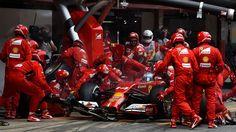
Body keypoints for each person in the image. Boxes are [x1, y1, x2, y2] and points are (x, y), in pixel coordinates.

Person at [155, 33, 201, 129]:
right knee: (182, 99)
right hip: (190, 78)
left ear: (173, 41)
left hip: (180, 77)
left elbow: (163, 65)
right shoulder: (190, 51)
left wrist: (156, 72)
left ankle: (194, 116)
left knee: (180, 100)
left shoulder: (172, 51)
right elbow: (196, 68)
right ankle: (174, 120)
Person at [7, 50, 55, 122]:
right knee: (38, 92)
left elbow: (35, 80)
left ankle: (45, 112)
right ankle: (31, 115)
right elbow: (41, 80)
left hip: (10, 77)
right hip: (19, 77)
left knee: (8, 96)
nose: (45, 60)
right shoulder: (37, 64)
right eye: (44, 58)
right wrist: (49, 90)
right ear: (40, 57)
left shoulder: (27, 63)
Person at [192, 31, 224, 128]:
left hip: (198, 79)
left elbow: (191, 64)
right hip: (210, 79)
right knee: (211, 100)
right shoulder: (215, 50)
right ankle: (211, 122)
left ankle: (196, 119)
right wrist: (214, 72)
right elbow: (221, 66)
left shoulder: (195, 50)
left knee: (196, 100)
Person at [0, 24, 32, 119]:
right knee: (17, 92)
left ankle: (8, 112)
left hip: (9, 72)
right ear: (24, 33)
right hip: (19, 72)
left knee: (8, 92)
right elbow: (28, 60)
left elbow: (2, 57)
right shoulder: (26, 43)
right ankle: (13, 112)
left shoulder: (8, 42)